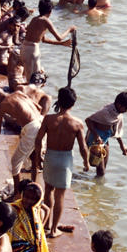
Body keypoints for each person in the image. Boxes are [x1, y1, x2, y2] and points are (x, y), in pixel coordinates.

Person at [35, 86, 89, 238]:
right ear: (73, 104)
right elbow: (83, 147)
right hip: (65, 160)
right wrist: (86, 162)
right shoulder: (77, 123)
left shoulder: (49, 119)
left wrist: (38, 157)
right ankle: (53, 230)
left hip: (50, 157)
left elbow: (38, 140)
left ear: (59, 101)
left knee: (48, 192)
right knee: (60, 196)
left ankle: (46, 224)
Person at [0, 85, 51, 194]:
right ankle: (34, 188)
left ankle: (17, 194)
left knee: (15, 162)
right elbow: (39, 108)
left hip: (32, 128)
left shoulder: (2, 106)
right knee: (34, 158)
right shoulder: (18, 93)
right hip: (41, 121)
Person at [21, 0, 76, 82]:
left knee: (31, 78)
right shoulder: (46, 21)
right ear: (50, 11)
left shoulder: (34, 19)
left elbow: (43, 39)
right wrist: (69, 29)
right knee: (35, 80)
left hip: (25, 48)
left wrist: (61, 44)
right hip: (32, 51)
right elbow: (59, 37)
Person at [85, 92, 127, 177]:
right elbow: (88, 121)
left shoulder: (118, 114)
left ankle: (94, 183)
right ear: (119, 104)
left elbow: (116, 130)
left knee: (103, 167)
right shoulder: (105, 112)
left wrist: (122, 146)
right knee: (101, 171)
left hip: (105, 139)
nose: (126, 111)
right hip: (94, 139)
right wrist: (96, 135)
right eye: (125, 108)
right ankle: (97, 188)